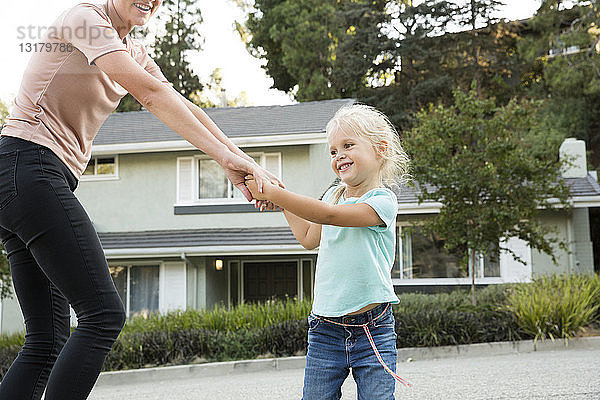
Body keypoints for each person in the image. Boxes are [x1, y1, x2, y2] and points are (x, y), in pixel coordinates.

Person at [0, 1, 278, 399]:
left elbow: (184, 106)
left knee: (46, 340)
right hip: (28, 166)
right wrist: (225, 159)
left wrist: (241, 159)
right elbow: (148, 94)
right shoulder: (86, 19)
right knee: (103, 315)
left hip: (24, 179)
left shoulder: (133, 52)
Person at [245, 104, 411, 399]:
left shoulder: (383, 201)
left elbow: (330, 216)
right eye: (333, 151)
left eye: (348, 145)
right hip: (325, 329)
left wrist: (274, 193)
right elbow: (309, 237)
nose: (339, 156)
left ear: (381, 149)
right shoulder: (334, 195)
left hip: (373, 327)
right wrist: (284, 206)